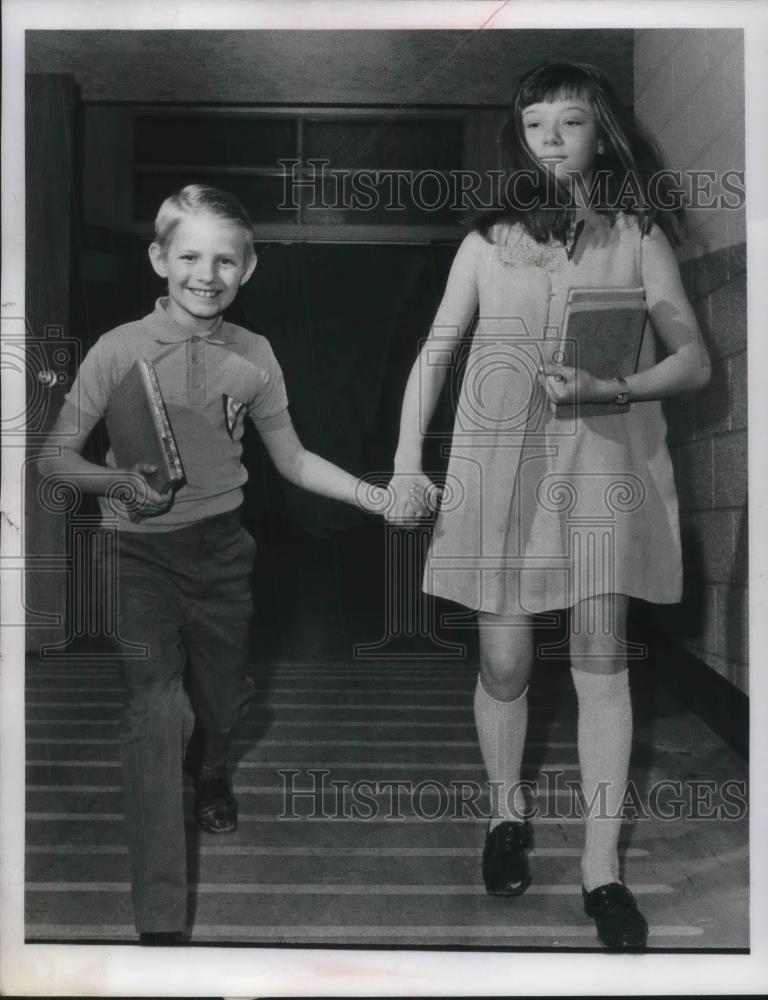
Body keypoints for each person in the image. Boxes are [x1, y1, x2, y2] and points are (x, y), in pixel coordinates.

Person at [387, 62, 710, 950]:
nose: (554, 139)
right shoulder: (488, 242)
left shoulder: (638, 232)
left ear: (600, 131)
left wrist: (616, 384)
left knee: (603, 660)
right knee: (505, 666)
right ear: (519, 141)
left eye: (571, 122)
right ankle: (505, 815)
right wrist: (409, 462)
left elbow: (694, 361)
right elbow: (436, 352)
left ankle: (602, 871)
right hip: (499, 470)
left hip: (605, 465)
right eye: (537, 125)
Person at [40, 184, 383, 945]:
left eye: (225, 259)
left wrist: (374, 496)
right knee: (155, 712)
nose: (207, 272)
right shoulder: (118, 349)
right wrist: (118, 481)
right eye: (189, 255)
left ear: (248, 270)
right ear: (159, 259)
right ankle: (160, 923)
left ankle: (217, 766)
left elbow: (291, 460)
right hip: (138, 556)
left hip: (223, 553)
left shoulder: (255, 357)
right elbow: (56, 459)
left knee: (219, 702)